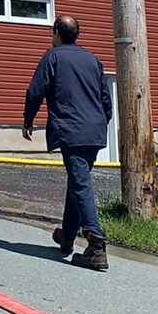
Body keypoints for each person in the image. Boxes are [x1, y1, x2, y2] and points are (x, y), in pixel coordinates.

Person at [23, 15, 113, 272]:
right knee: (77, 181)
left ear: (56, 33)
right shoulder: (93, 60)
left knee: (80, 182)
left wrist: (28, 120)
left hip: (71, 130)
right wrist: (100, 122)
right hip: (94, 130)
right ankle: (67, 237)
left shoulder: (53, 57)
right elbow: (105, 99)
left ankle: (96, 244)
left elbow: (35, 91)